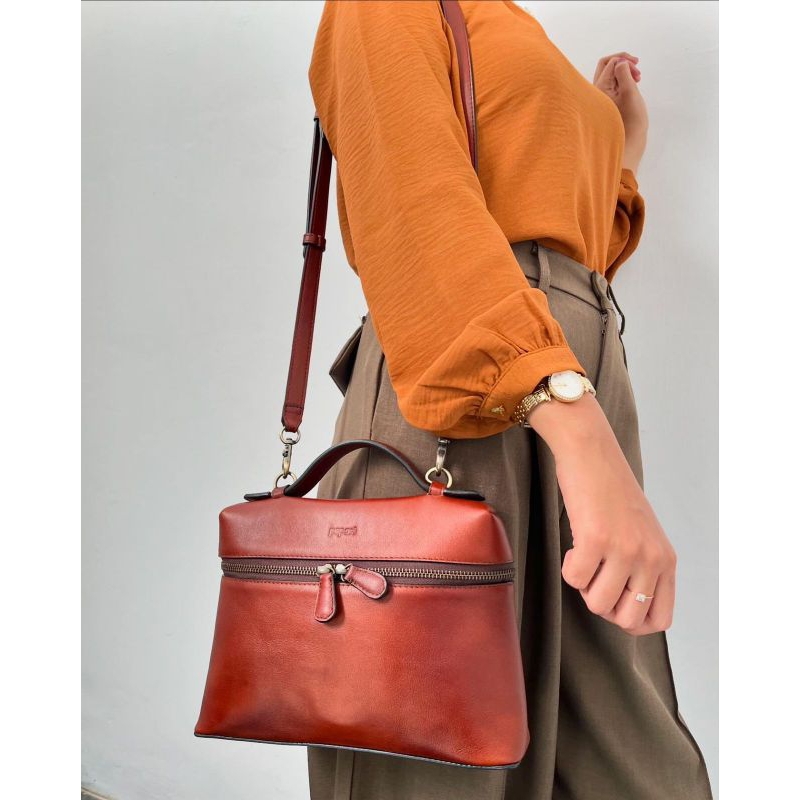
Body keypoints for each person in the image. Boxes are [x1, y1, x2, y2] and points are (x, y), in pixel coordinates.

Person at [305, 1, 714, 798]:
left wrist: (617, 143)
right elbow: (417, 211)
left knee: (622, 759)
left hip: (568, 383)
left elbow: (573, 248)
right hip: (460, 393)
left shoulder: (513, 26)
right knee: (436, 755)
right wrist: (581, 434)